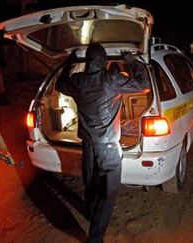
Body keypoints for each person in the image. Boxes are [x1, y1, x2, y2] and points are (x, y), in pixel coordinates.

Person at [55, 43, 151, 243]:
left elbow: (60, 84)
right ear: (103, 61)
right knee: (109, 192)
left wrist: (70, 63)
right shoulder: (110, 78)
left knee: (91, 183)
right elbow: (144, 86)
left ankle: (91, 213)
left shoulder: (78, 81)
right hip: (107, 146)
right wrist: (133, 63)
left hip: (88, 144)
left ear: (88, 62)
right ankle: (95, 237)